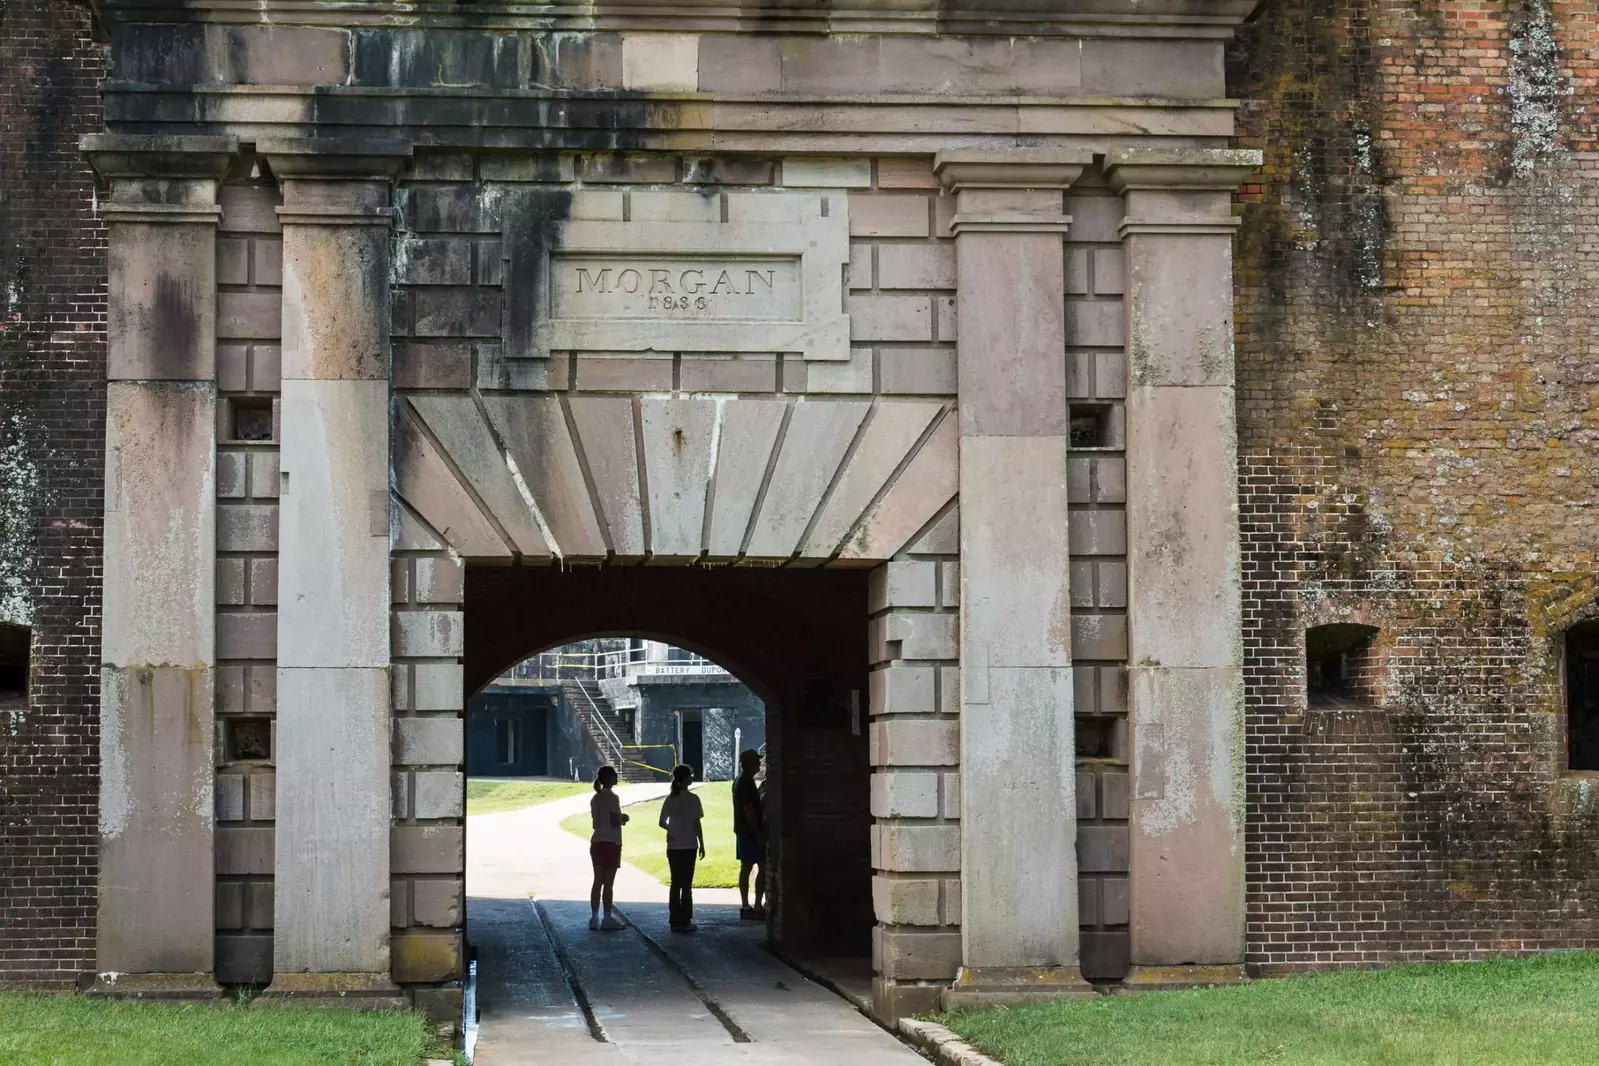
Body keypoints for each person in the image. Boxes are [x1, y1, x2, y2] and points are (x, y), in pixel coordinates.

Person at [658, 764, 706, 933]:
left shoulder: (670, 798)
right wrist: (701, 843)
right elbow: (696, 823)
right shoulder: (694, 799)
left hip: (673, 846)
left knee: (675, 883)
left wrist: (672, 830)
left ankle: (674, 920)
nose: (692, 778)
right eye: (690, 776)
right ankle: (685, 920)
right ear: (684, 779)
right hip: (690, 845)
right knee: (686, 884)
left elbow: (661, 821)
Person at [588, 765, 629, 931]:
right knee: (608, 884)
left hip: (597, 842)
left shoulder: (595, 798)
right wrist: (622, 818)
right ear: (610, 779)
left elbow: (595, 823)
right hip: (611, 843)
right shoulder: (613, 797)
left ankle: (594, 918)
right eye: (615, 776)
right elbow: (613, 821)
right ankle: (606, 918)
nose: (617, 778)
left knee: (597, 882)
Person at [732, 749, 766, 920]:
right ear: (749, 763)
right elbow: (749, 810)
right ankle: (755, 905)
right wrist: (758, 833)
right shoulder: (745, 782)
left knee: (747, 867)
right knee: (760, 866)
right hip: (749, 832)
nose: (759, 764)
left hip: (743, 831)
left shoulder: (742, 780)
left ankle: (747, 905)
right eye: (756, 761)